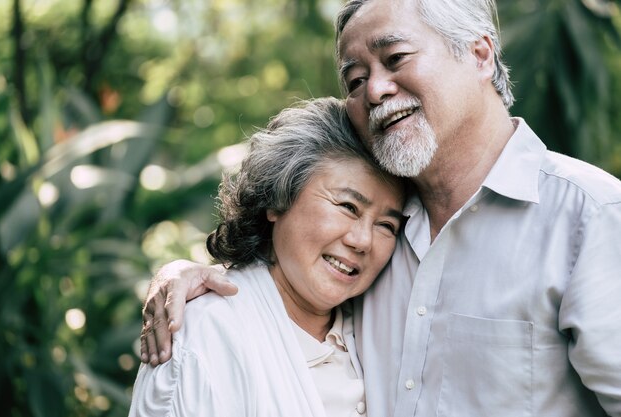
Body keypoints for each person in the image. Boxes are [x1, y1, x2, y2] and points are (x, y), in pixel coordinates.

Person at [139, 1, 621, 416]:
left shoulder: (590, 217)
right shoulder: (383, 229)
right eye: (355, 78)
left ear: (479, 54)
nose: (375, 90)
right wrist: (186, 277)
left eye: (396, 57)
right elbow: (276, 303)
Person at [129, 97, 406, 417]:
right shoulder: (209, 333)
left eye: (387, 225)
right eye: (347, 206)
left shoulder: (376, 325)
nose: (362, 241)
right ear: (277, 199)